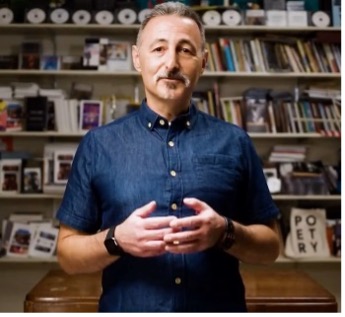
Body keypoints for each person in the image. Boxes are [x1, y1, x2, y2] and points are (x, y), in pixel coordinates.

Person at [56, 2, 280, 312]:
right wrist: (116, 240)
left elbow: (270, 246)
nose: (171, 63)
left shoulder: (235, 142)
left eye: (185, 50)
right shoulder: (98, 145)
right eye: (158, 49)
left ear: (202, 62)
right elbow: (67, 254)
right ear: (138, 58)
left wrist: (224, 232)